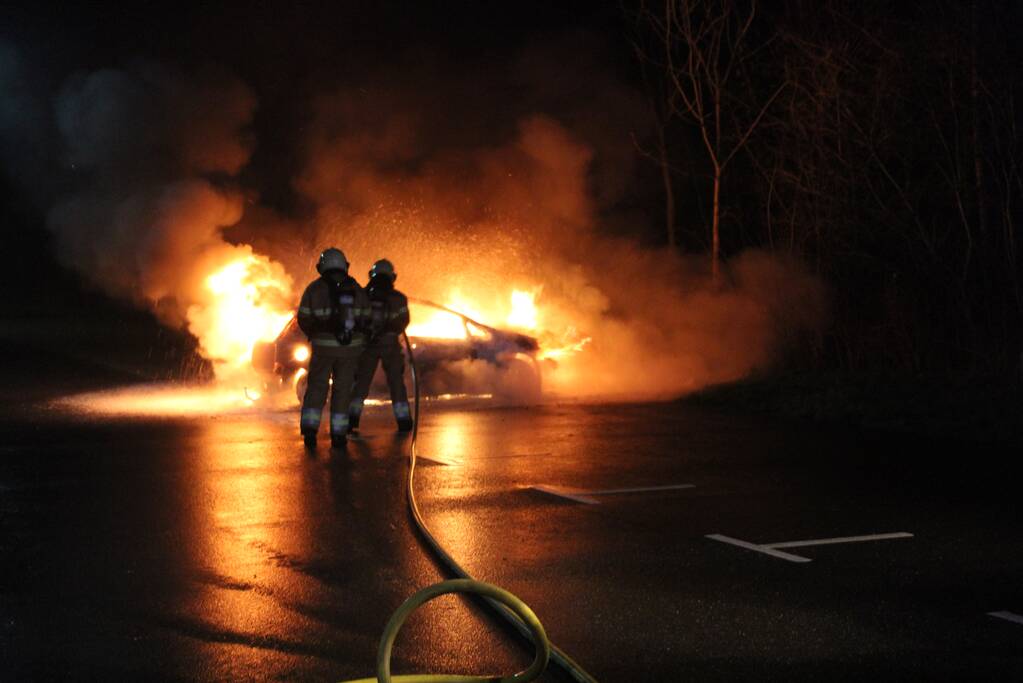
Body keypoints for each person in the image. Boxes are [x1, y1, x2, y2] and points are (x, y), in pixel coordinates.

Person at [296, 247, 370, 449]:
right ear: (344, 265)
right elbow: (367, 318)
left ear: (323, 266)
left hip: (323, 349)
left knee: (317, 388)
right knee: (342, 390)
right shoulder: (356, 289)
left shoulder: (314, 289)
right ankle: (339, 435)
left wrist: (316, 334)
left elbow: (303, 317)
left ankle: (310, 431)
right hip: (350, 351)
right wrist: (359, 339)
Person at [348, 259, 413, 432]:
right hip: (390, 346)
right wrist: (390, 331)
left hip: (367, 347)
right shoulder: (398, 298)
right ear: (392, 277)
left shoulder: (361, 296)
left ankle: (351, 420)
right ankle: (404, 421)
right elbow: (403, 321)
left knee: (361, 383)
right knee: (396, 383)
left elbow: (353, 319)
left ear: (371, 275)